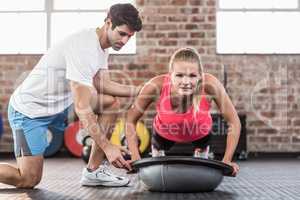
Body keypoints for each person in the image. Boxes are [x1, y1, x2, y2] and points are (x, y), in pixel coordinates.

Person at [1, 3, 142, 189]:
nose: (124, 41)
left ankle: (93, 171)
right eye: (122, 34)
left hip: (59, 105)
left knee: (109, 104)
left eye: (129, 37)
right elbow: (82, 107)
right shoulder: (83, 46)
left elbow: (101, 83)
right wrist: (108, 147)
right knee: (28, 179)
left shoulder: (103, 46)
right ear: (108, 22)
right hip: (29, 111)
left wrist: (143, 89)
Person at [125, 47, 240, 175]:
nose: (186, 82)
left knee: (200, 170)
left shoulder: (210, 84)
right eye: (179, 75)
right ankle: (157, 150)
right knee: (158, 166)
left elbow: (234, 122)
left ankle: (201, 151)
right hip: (164, 133)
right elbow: (130, 120)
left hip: (200, 133)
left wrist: (227, 160)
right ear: (170, 75)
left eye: (192, 76)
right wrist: (135, 157)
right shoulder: (155, 86)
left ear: (200, 76)